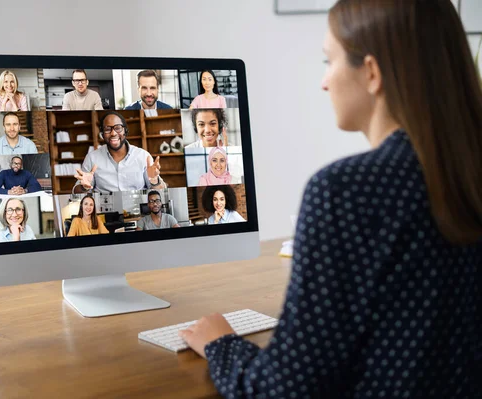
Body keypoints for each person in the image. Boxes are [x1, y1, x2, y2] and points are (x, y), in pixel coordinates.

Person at [180, 1, 482, 397]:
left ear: (372, 72)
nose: (324, 82)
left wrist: (221, 344)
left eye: (329, 61)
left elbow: (286, 388)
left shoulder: (344, 190)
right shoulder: (467, 172)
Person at [73, 111, 166, 193]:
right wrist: (83, 187)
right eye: (108, 129)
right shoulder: (92, 158)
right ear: (102, 134)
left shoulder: (143, 156)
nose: (113, 133)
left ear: (125, 131)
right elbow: (76, 193)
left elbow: (161, 192)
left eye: (118, 128)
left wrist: (154, 180)